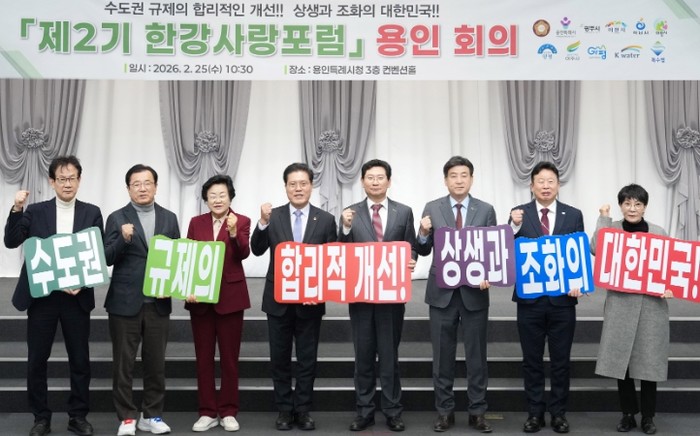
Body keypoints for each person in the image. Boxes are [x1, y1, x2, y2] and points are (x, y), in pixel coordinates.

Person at [4, 155, 102, 436]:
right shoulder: (35, 211)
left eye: (72, 178)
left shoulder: (92, 212)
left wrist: (83, 282)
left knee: (80, 359)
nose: (67, 184)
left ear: (79, 181)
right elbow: (11, 241)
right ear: (52, 181)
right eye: (62, 179)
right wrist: (17, 208)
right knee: (37, 359)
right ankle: (41, 418)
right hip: (43, 297)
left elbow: (96, 253)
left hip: (76, 298)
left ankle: (78, 417)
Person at [250, 162, 337, 431]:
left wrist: (320, 291)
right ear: (285, 187)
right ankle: (285, 410)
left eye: (303, 183)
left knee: (307, 359)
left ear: (311, 186)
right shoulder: (273, 216)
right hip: (278, 301)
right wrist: (262, 223)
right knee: (280, 358)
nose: (298, 188)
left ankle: (303, 410)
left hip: (310, 302)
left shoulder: (325, 219)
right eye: (293, 184)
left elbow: (331, 261)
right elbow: (256, 249)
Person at [415, 156, 496, 433]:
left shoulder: (485, 210)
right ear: (445, 180)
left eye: (464, 175)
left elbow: (492, 250)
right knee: (442, 357)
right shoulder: (432, 208)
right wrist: (423, 232)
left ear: (471, 179)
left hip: (475, 293)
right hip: (442, 293)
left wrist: (489, 274)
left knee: (477, 357)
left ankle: (478, 412)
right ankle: (444, 412)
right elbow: (423, 249)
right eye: (453, 176)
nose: (459, 180)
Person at [339, 159, 417, 433]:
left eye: (380, 177)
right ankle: (364, 411)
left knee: (389, 356)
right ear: (362, 181)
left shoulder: (403, 212)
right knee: (363, 356)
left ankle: (393, 411)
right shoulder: (350, 213)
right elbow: (341, 250)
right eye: (370, 177)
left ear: (389, 181)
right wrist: (345, 227)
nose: (375, 181)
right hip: (361, 296)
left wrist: (411, 259)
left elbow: (411, 245)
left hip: (391, 297)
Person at [590, 184, 673, 435]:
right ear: (621, 206)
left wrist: (669, 287)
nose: (632, 208)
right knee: (621, 364)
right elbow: (596, 248)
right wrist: (603, 217)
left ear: (645, 207)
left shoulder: (658, 232)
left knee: (649, 364)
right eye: (627, 203)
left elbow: (668, 266)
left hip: (651, 307)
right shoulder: (612, 229)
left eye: (637, 204)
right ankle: (628, 414)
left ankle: (648, 417)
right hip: (621, 306)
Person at [103, 164, 180, 436]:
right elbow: (106, 257)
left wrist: (172, 285)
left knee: (155, 363)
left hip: (158, 302)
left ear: (156, 186)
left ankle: (152, 415)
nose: (142, 188)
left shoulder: (169, 218)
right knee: (123, 364)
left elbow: (177, 258)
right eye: (136, 184)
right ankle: (126, 417)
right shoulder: (116, 218)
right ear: (128, 189)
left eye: (147, 183)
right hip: (125, 302)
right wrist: (123, 239)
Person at [509, 161, 584, 434]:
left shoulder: (573, 214)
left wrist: (578, 283)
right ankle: (535, 413)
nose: (545, 186)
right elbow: (507, 250)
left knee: (561, 361)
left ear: (558, 185)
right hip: (529, 302)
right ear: (531, 186)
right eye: (540, 181)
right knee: (531, 361)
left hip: (562, 302)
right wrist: (512, 225)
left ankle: (559, 414)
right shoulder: (519, 213)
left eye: (550, 181)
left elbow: (577, 253)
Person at [185, 175, 251, 432]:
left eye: (222, 195)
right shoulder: (196, 222)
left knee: (229, 359)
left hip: (230, 298)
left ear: (230, 197)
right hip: (200, 300)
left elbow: (243, 253)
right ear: (206, 200)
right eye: (212, 196)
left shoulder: (241, 221)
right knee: (203, 358)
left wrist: (233, 233)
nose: (217, 200)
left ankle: (228, 410)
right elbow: (189, 257)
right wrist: (188, 287)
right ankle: (207, 411)